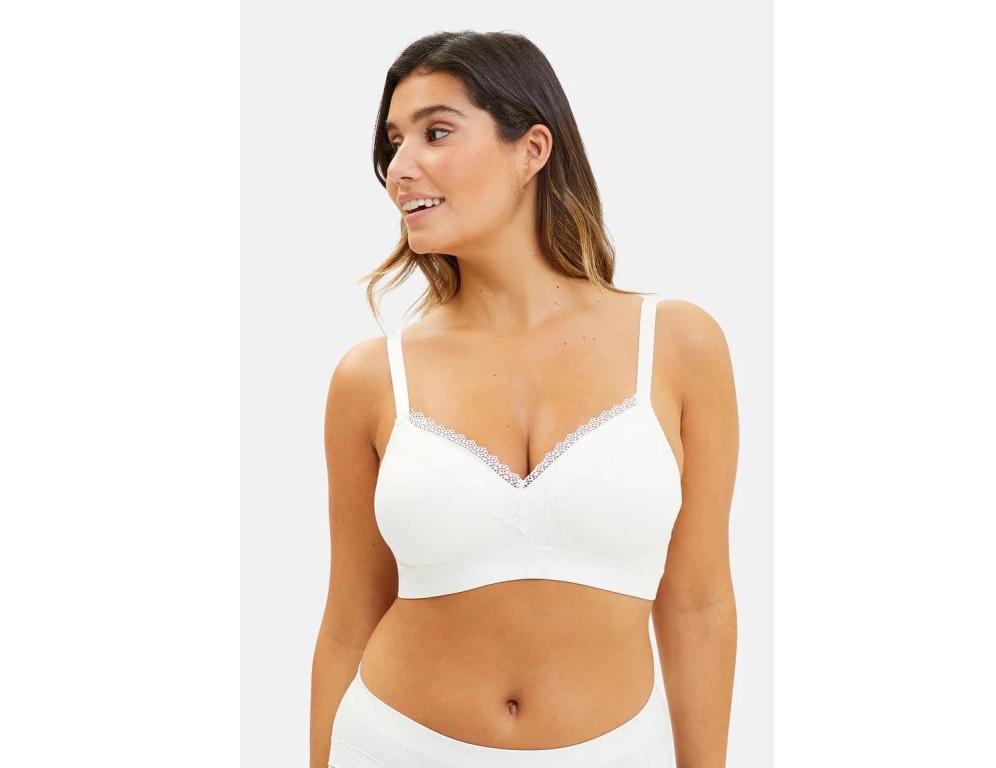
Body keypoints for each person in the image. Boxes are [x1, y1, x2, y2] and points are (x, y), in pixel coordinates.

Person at [310, 30, 739, 768]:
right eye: (394, 142)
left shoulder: (676, 345)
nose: (400, 169)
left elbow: (698, 602)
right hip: (392, 744)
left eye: (436, 133)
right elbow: (349, 621)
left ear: (532, 149)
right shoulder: (371, 378)